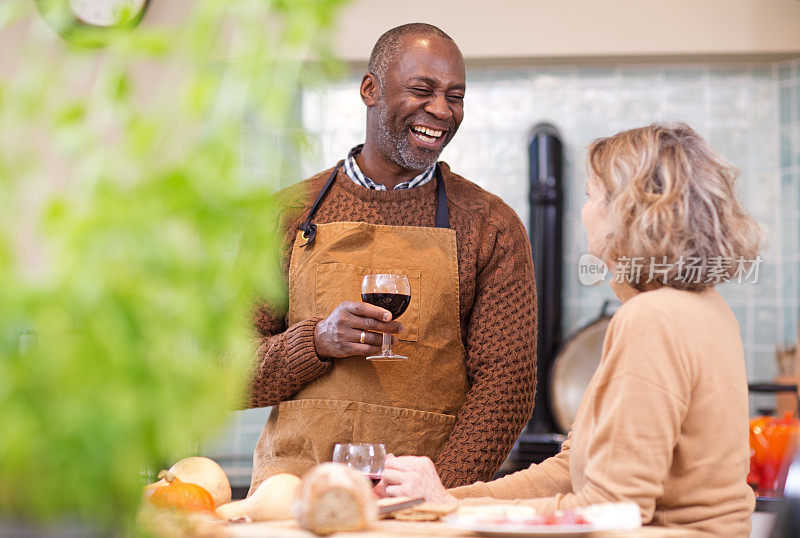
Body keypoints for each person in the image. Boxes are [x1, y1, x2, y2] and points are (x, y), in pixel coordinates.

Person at [377, 123, 759, 537]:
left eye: (592, 195)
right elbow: (569, 470)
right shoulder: (708, 309)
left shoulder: (651, 319)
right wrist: (449, 502)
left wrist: (454, 512)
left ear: (628, 210)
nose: (585, 211)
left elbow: (611, 510)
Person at [245, 23, 536, 493]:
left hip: (423, 510)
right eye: (422, 90)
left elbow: (507, 387)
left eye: (455, 97)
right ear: (370, 89)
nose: (440, 111)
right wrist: (315, 342)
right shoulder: (283, 215)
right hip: (293, 501)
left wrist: (436, 488)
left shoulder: (491, 224)